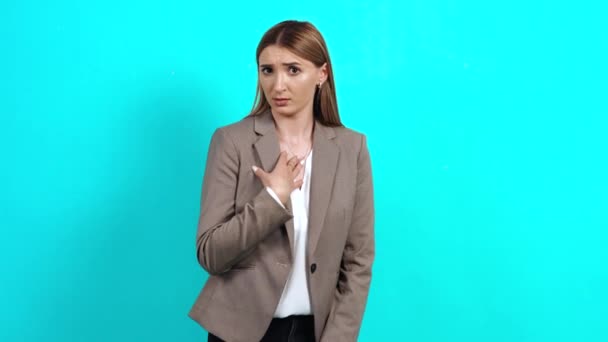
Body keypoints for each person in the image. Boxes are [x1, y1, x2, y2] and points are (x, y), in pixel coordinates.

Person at [188, 20, 375, 342]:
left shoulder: (351, 148)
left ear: (322, 74)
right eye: (267, 70)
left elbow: (358, 259)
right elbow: (211, 254)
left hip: (316, 332)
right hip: (240, 332)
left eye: (293, 70)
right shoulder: (231, 142)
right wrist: (273, 198)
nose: (277, 86)